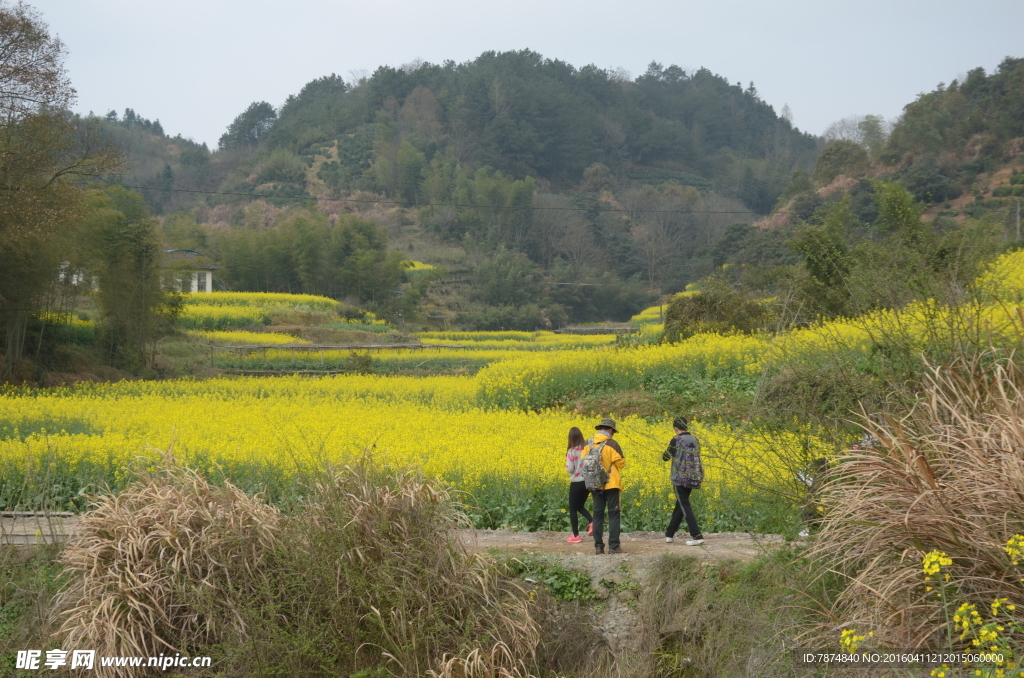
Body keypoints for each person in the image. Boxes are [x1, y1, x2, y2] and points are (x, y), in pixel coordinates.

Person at [663, 416, 705, 546]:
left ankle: (697, 536)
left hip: (679, 478)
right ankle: (669, 534)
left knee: (684, 505)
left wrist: (669, 446)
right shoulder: (695, 440)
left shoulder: (676, 440)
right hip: (692, 477)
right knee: (681, 504)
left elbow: (665, 457)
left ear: (676, 428)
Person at [588, 418, 626, 555]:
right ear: (610, 430)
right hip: (611, 484)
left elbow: (583, 462)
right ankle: (614, 546)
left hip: (595, 484)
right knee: (614, 515)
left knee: (597, 515)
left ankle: (598, 547)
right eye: (613, 431)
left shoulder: (588, 443)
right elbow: (621, 464)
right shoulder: (612, 443)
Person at [564, 427, 593, 543]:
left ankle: (575, 536)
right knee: (580, 506)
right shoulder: (587, 449)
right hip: (587, 483)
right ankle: (592, 521)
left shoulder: (572, 451)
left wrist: (567, 466)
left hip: (576, 482)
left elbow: (570, 468)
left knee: (572, 509)